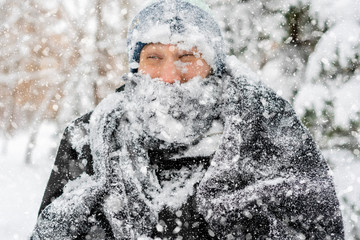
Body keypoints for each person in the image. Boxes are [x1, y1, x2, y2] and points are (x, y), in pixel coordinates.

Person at [31, 0, 344, 239]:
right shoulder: (90, 136)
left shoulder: (263, 131)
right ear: (135, 65)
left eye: (187, 57)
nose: (170, 76)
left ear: (212, 65)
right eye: (153, 57)